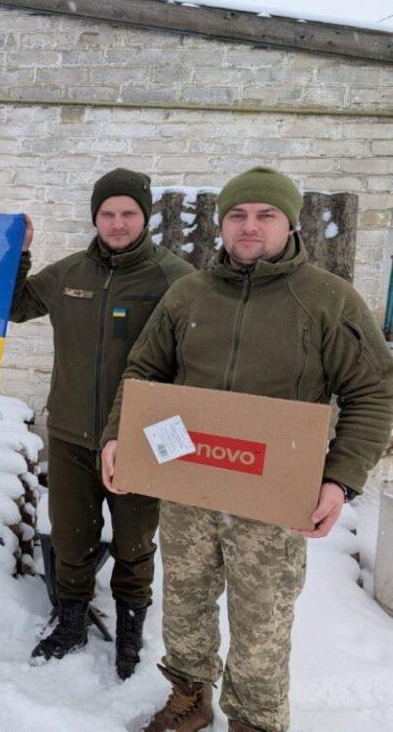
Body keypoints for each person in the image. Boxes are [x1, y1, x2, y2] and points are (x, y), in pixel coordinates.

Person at [101, 167, 393, 732]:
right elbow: (144, 369)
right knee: (184, 601)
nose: (249, 226)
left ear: (290, 223)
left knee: (261, 620)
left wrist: (339, 480)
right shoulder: (189, 293)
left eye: (265, 215)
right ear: (222, 224)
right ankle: (188, 698)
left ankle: (255, 721)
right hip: (189, 481)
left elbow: (373, 391)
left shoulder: (328, 300)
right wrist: (120, 435)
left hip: (273, 495)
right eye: (237, 215)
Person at [10, 168, 194, 678]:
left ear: (145, 216)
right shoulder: (70, 273)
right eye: (107, 213)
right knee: (71, 538)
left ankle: (131, 632)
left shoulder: (175, 279)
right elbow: (13, 305)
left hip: (140, 438)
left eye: (127, 213)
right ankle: (70, 622)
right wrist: (18, 250)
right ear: (95, 217)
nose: (117, 223)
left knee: (135, 541)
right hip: (69, 433)